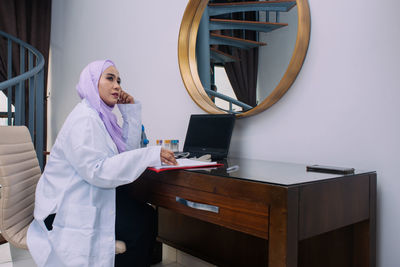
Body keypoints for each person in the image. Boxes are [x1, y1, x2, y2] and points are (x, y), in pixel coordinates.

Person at [27, 59, 177, 267]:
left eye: (119, 80)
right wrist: (150, 154)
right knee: (142, 223)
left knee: (145, 215)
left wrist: (130, 112)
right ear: (92, 82)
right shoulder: (85, 119)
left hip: (87, 194)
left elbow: (126, 152)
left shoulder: (100, 117)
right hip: (63, 208)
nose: (117, 85)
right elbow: (97, 171)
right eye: (110, 78)